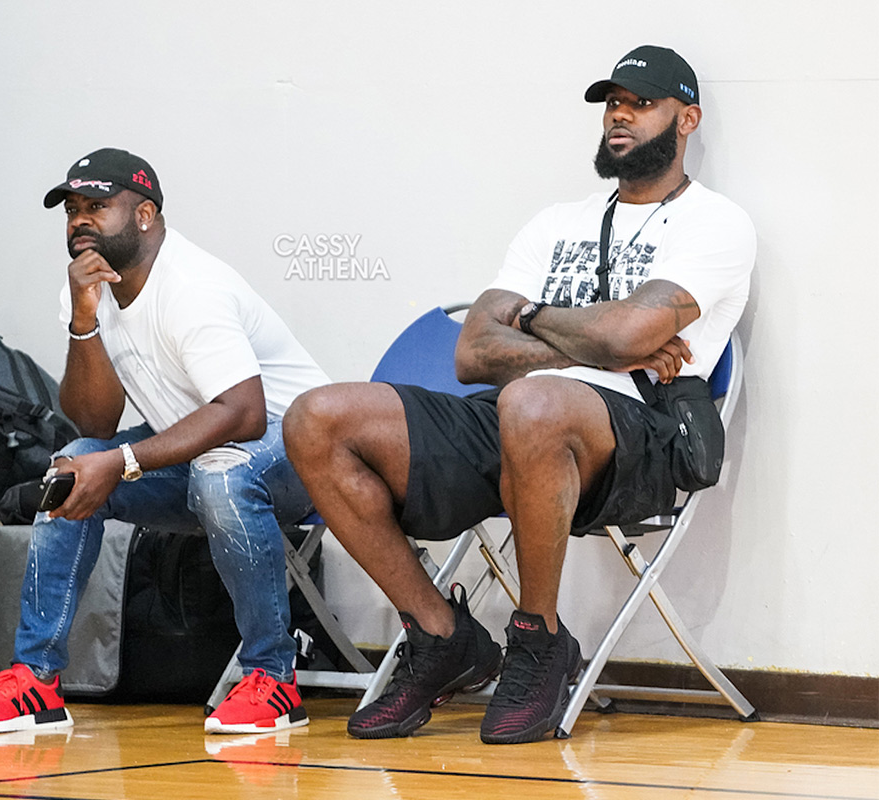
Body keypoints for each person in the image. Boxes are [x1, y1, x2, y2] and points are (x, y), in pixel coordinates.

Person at [284, 45, 755, 744]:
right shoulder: (554, 223)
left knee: (531, 401)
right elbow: (475, 353)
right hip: (513, 414)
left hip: (641, 433)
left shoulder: (715, 224)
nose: (619, 114)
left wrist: (539, 323)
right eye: (612, 102)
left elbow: (629, 338)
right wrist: (579, 331)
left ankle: (538, 639)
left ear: (687, 119)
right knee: (316, 417)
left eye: (641, 102)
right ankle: (441, 634)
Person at [0, 148, 330, 736]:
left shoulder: (191, 286)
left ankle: (272, 678)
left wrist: (125, 462)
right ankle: (36, 681)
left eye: (97, 207)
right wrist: (83, 319)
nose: (80, 221)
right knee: (71, 468)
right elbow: (93, 422)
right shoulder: (91, 287)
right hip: (204, 459)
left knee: (221, 475)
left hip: (306, 457)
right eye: (72, 209)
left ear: (145, 215)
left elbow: (245, 414)